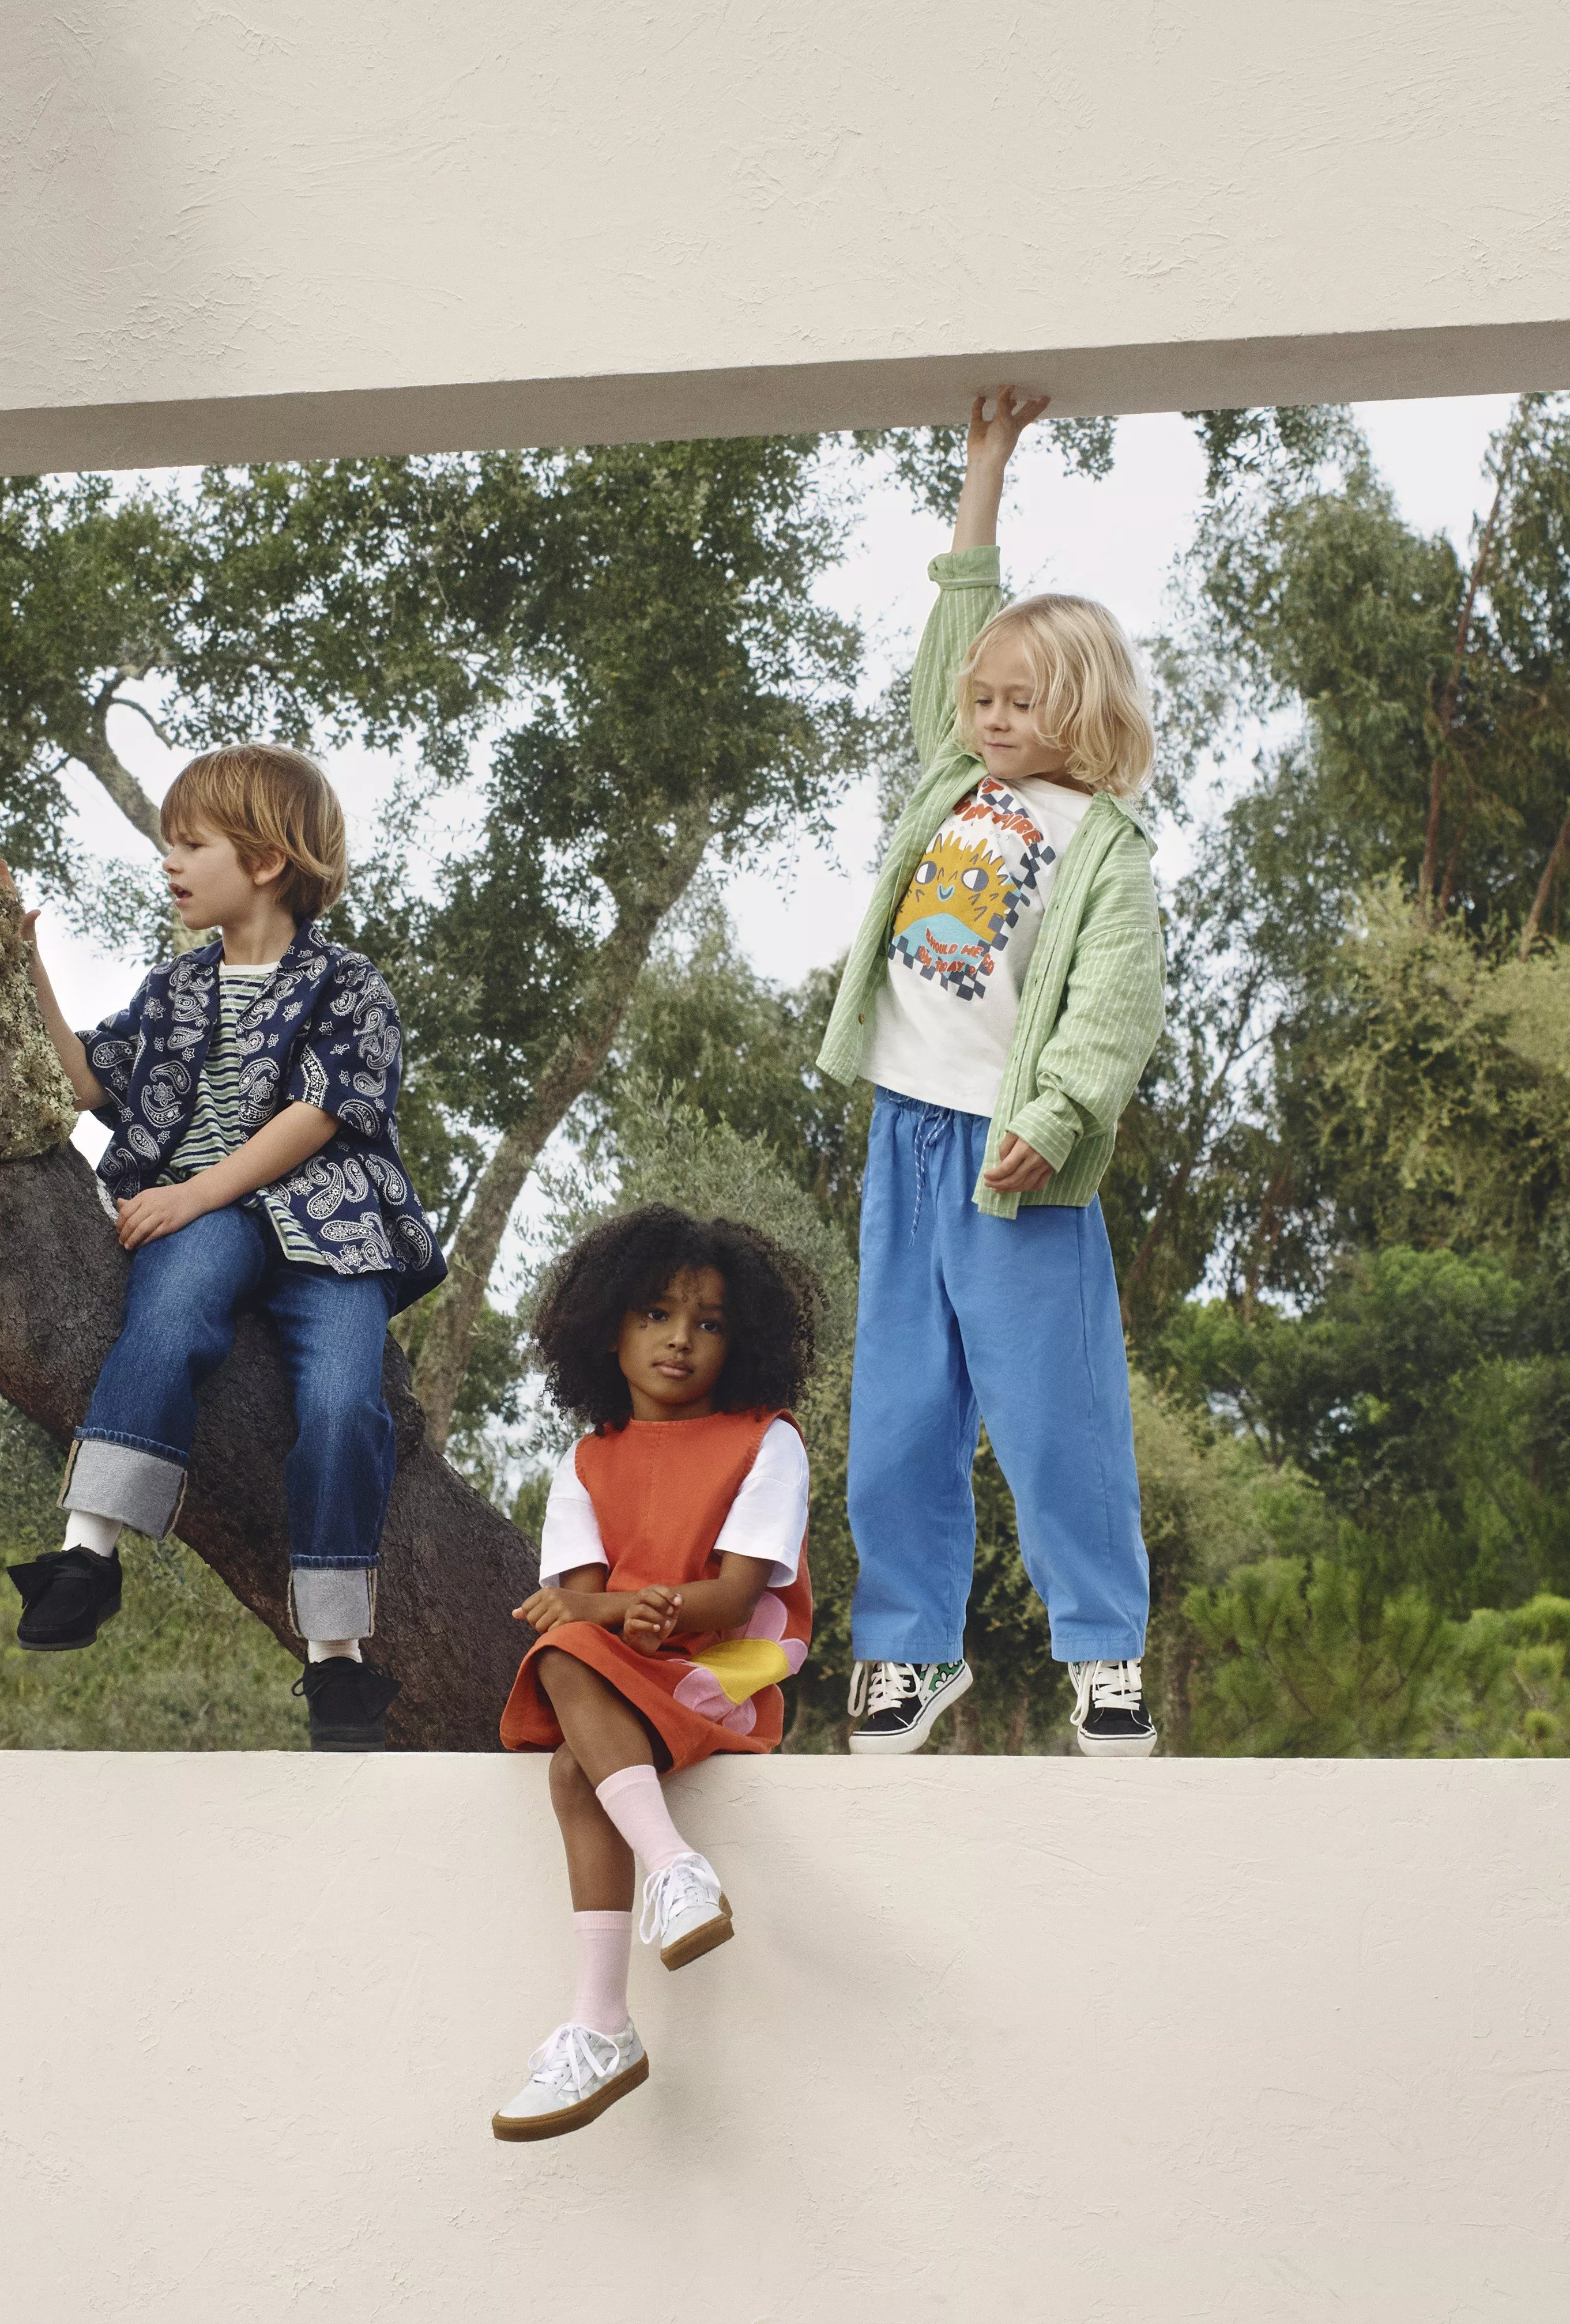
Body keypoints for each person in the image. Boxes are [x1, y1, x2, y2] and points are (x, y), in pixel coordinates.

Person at [812, 388, 1169, 1759]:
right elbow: (959, 614)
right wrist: (986, 469)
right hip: (906, 1142)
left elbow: (1113, 1008)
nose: (997, 714)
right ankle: (908, 1651)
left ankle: (1105, 1654)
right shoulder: (950, 784)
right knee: (900, 1415)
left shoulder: (1104, 849)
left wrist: (1060, 1115)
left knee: (1054, 1417)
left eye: (1025, 701)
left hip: (1017, 1163)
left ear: (1079, 710)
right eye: (985, 698)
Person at [5, 743, 445, 1752]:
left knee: (343, 1403)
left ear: (265, 860)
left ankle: (337, 1656)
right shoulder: (173, 988)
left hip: (332, 1227)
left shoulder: (350, 984)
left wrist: (191, 1192)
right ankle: (87, 1552)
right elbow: (87, 1080)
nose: (170, 861)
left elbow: (318, 1115)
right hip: (203, 1223)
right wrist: (25, 961)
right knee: (168, 1314)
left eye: (191, 844)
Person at [488, 1207, 822, 2141]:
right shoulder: (587, 1460)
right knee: (570, 1752)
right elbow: (583, 1607)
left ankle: (662, 1899)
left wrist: (629, 1612)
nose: (681, 1339)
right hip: (622, 1678)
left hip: (721, 1679)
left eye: (709, 1322)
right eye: (657, 1314)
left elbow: (733, 1597)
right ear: (609, 1329)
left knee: (570, 1709)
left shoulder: (768, 1440)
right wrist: (617, 1615)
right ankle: (614, 1999)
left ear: (739, 1340)